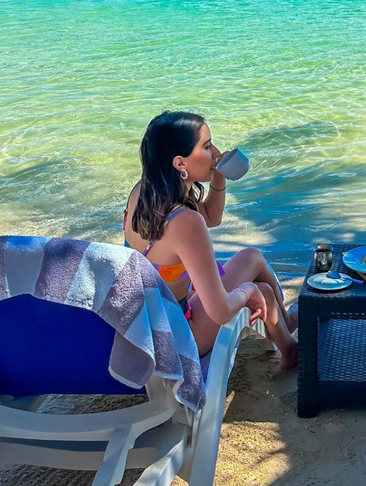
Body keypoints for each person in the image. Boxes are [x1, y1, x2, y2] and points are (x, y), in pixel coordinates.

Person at [123, 111, 298, 369]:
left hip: (146, 324)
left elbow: (211, 217)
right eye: (206, 146)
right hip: (175, 337)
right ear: (180, 163)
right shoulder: (185, 222)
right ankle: (290, 346)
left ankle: (287, 332)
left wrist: (218, 175)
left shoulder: (144, 192)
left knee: (252, 258)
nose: (216, 153)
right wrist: (248, 290)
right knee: (261, 290)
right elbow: (220, 311)